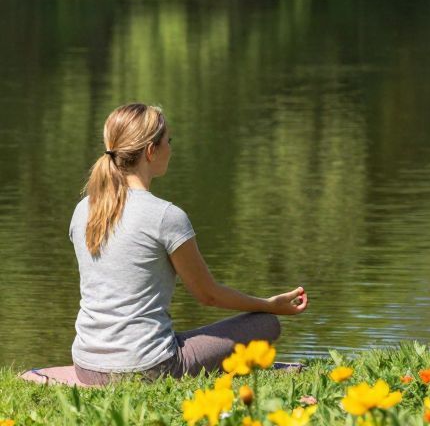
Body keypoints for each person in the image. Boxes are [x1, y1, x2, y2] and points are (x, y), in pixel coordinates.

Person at [58, 103, 308, 385]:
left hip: (87, 365)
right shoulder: (165, 216)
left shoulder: (83, 210)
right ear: (151, 151)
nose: (171, 149)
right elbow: (208, 295)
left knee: (179, 338)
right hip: (148, 368)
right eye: (169, 141)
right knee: (265, 324)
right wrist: (269, 305)